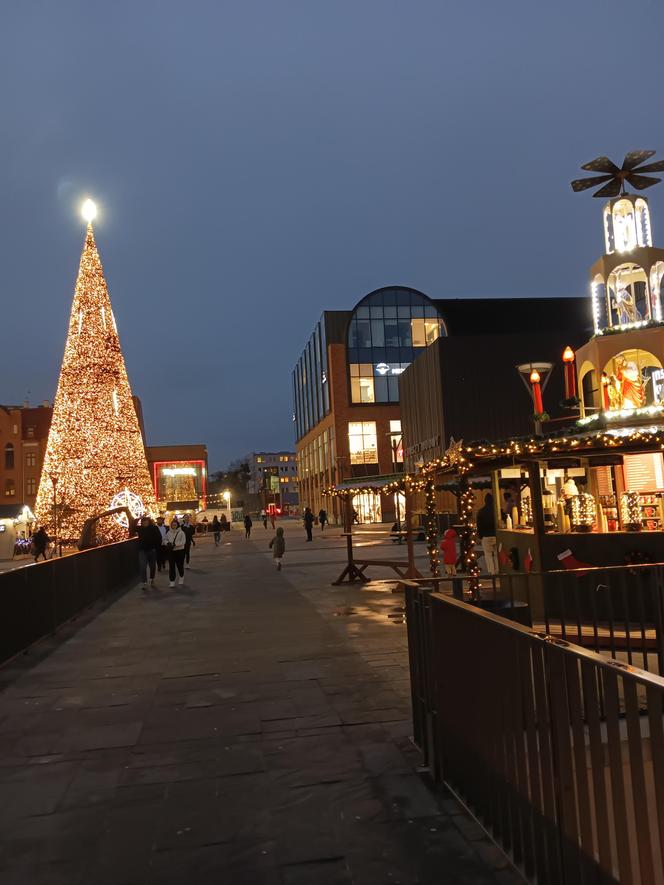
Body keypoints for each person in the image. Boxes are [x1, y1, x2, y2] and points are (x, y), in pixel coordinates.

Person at [137, 516, 162, 590]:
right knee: (142, 566)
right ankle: (144, 582)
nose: (144, 523)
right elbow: (131, 527)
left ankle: (152, 579)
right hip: (142, 551)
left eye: (146, 521)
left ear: (149, 522)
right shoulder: (140, 529)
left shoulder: (154, 528)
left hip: (152, 550)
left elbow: (159, 538)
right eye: (143, 522)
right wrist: (138, 519)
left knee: (153, 566)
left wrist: (155, 548)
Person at [477, 493, 498, 575]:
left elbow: (479, 525)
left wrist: (480, 536)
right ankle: (497, 569)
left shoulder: (481, 512)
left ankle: (491, 571)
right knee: (496, 554)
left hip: (486, 536)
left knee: (488, 554)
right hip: (496, 535)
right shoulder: (496, 510)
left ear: (485, 501)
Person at [163, 518, 187, 587]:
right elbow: (164, 539)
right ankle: (172, 581)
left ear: (177, 525)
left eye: (175, 525)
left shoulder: (181, 532)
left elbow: (183, 541)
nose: (174, 526)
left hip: (179, 551)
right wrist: (167, 543)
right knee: (172, 567)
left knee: (180, 566)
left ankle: (181, 576)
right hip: (171, 552)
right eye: (172, 525)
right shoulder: (168, 532)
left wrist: (175, 544)